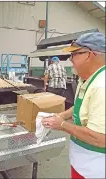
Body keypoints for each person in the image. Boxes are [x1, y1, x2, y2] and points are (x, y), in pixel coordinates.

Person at [42, 32, 105, 178]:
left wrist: (62, 125)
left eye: (74, 54)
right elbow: (79, 106)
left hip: (95, 168)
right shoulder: (88, 79)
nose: (71, 60)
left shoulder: (102, 86)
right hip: (82, 161)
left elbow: (101, 138)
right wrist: (62, 115)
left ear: (89, 55)